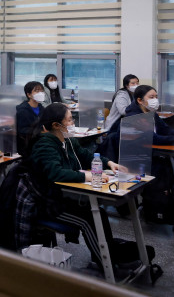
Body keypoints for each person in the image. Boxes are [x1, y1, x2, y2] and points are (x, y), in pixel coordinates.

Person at [27, 104, 134, 267]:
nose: (73, 123)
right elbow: (56, 173)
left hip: (67, 198)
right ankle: (107, 265)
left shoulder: (67, 140)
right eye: (69, 120)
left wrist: (109, 163)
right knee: (87, 220)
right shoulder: (44, 145)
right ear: (56, 125)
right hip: (50, 204)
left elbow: (86, 156)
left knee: (99, 214)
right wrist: (87, 176)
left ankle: (106, 257)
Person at [97, 85, 174, 162]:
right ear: (139, 100)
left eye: (156, 97)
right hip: (133, 159)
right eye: (151, 97)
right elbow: (153, 138)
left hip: (147, 153)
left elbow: (165, 129)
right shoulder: (133, 118)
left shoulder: (151, 113)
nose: (155, 100)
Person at [15, 81, 45, 155]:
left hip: (40, 141)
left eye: (42, 91)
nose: (40, 93)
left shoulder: (42, 108)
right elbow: (22, 130)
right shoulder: (22, 110)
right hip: (27, 145)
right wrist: (40, 132)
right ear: (29, 95)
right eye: (37, 91)